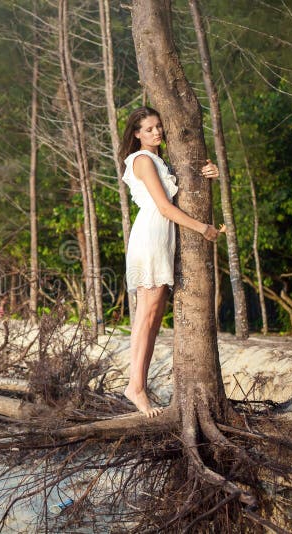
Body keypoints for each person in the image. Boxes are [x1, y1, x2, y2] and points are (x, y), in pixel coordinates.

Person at [119, 106, 223, 417]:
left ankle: (138, 385)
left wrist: (210, 173)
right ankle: (135, 387)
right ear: (137, 134)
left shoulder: (159, 160)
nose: (156, 132)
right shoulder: (142, 160)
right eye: (149, 129)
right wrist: (203, 228)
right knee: (146, 317)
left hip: (160, 236)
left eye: (158, 127)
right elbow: (164, 207)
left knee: (152, 319)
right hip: (150, 236)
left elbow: (183, 188)